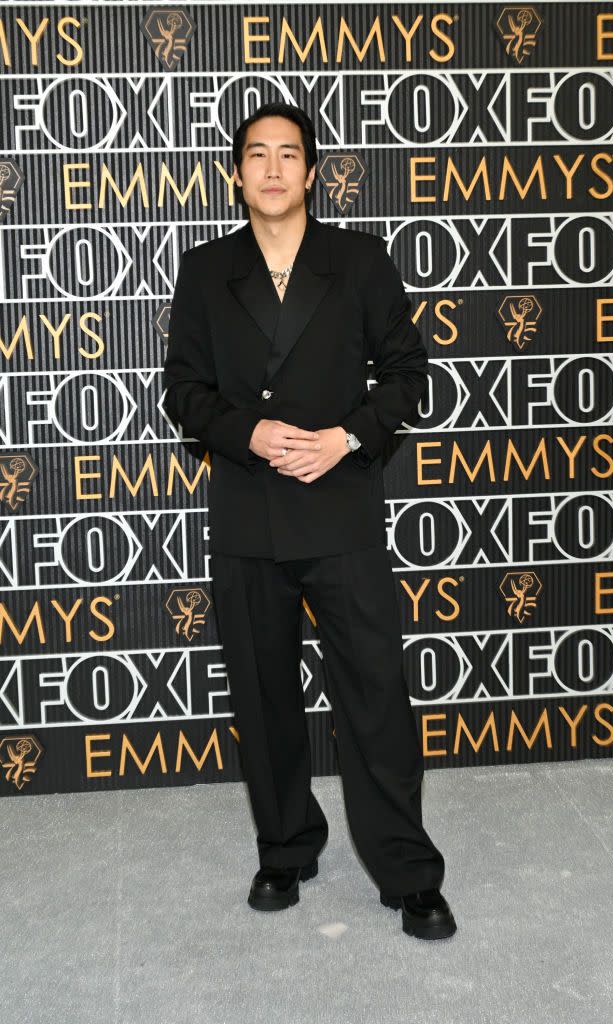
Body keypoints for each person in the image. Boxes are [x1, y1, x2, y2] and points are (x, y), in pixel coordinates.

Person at [162, 101, 456, 941]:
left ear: (313, 171)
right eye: (256, 155)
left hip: (340, 508)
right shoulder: (204, 268)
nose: (273, 169)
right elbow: (182, 388)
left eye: (289, 154)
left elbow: (407, 374)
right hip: (250, 514)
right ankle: (285, 849)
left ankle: (407, 872)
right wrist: (243, 433)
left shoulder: (359, 261)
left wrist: (346, 437)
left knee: (376, 697)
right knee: (262, 698)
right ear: (234, 173)